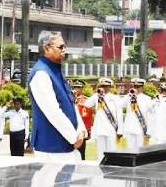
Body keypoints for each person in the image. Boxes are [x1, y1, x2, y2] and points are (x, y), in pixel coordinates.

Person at [27, 31, 86, 163]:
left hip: (66, 145)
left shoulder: (55, 71)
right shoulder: (41, 74)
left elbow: (71, 104)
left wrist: (81, 130)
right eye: (60, 47)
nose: (64, 50)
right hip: (51, 147)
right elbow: (52, 111)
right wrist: (74, 137)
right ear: (47, 48)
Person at [84, 78, 122, 159]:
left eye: (106, 86)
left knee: (112, 152)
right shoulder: (97, 97)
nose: (104, 88)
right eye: (102, 86)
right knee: (100, 153)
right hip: (100, 129)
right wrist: (96, 94)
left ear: (110, 87)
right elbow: (87, 104)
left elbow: (119, 114)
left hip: (111, 129)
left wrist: (120, 130)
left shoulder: (115, 98)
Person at [119, 78, 153, 150]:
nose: (136, 89)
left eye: (138, 87)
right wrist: (129, 95)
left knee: (140, 150)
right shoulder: (128, 97)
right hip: (130, 128)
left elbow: (151, 115)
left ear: (142, 87)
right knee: (130, 150)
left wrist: (149, 130)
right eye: (135, 87)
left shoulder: (147, 99)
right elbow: (120, 105)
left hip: (141, 128)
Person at [71, 80, 92, 160]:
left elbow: (88, 116)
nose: (76, 89)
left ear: (82, 89)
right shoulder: (69, 99)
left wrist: (88, 130)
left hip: (81, 129)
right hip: (71, 128)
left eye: (79, 87)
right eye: (75, 87)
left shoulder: (85, 100)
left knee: (81, 151)